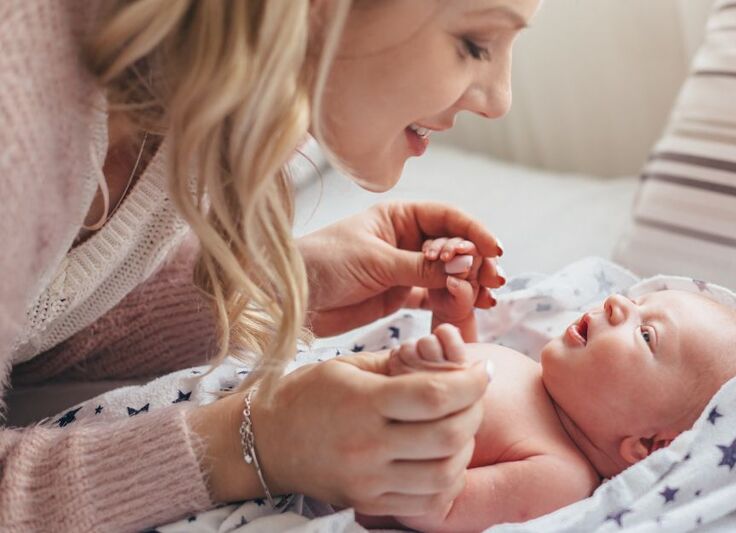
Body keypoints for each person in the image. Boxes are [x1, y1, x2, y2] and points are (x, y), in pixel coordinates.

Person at [0, 0, 540, 530]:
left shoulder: (211, 96)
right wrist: (255, 444)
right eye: (475, 44)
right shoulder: (17, 100)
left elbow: (42, 317)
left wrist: (276, 287)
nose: (500, 100)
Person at [356, 243, 736, 531]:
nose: (618, 303)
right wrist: (451, 319)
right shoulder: (532, 374)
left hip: (336, 457)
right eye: (638, 302)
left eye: (646, 334)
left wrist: (427, 421)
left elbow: (439, 508)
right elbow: (464, 364)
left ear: (647, 446)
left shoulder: (561, 476)